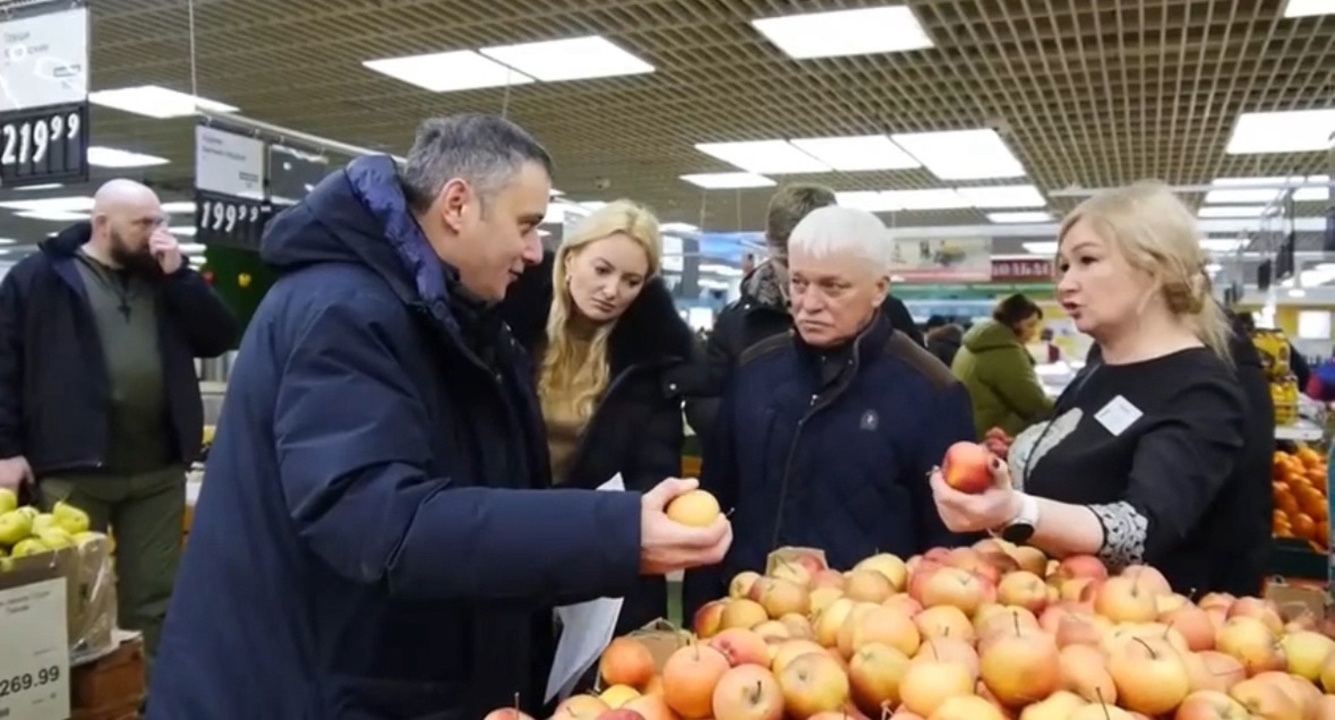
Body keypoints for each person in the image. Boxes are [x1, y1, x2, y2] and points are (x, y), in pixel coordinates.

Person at [147, 115, 732, 720]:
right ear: (457, 205)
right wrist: (613, 532)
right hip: (301, 687)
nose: (535, 253)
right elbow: (384, 524)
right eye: (526, 225)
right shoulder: (347, 315)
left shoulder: (453, 322)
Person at [930, 181, 1260, 596]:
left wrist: (1018, 510)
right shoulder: (1099, 367)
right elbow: (1092, 456)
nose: (1066, 283)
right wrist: (1018, 455)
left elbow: (1141, 530)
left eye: (1087, 260)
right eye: (1064, 266)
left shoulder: (1200, 389)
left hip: (1146, 633)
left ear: (1154, 269)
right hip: (1057, 615)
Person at [684, 206, 974, 616]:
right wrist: (703, 608)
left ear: (879, 289)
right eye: (799, 283)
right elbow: (713, 503)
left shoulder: (931, 391)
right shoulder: (754, 371)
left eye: (833, 287)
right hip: (746, 619)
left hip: (867, 637)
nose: (808, 304)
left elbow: (951, 548)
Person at [0, 179, 237, 668]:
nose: (157, 234)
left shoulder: (165, 279)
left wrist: (182, 278)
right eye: (144, 223)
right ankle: (74, 699)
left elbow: (219, 336)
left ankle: (148, 701)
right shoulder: (38, 278)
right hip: (71, 467)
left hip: (157, 470)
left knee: (156, 599)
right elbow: (4, 365)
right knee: (70, 602)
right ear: (103, 224)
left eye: (160, 221)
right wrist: (6, 449)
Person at [501, 199, 697, 637]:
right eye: (602, 270)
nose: (613, 291)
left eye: (631, 281)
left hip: (591, 545)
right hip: (505, 533)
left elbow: (652, 470)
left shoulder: (650, 362)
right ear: (570, 260)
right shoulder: (504, 328)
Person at [683, 184, 923, 442]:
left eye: (831, 285)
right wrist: (757, 427)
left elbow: (919, 399)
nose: (809, 302)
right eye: (787, 263)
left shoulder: (887, 314)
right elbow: (703, 400)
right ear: (768, 244)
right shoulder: (737, 321)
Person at [950, 293, 1054, 438]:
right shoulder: (1004, 351)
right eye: (1030, 325)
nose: (1033, 332)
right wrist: (1066, 403)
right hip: (995, 438)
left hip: (969, 430)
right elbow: (1034, 404)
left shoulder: (975, 344)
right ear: (1015, 323)